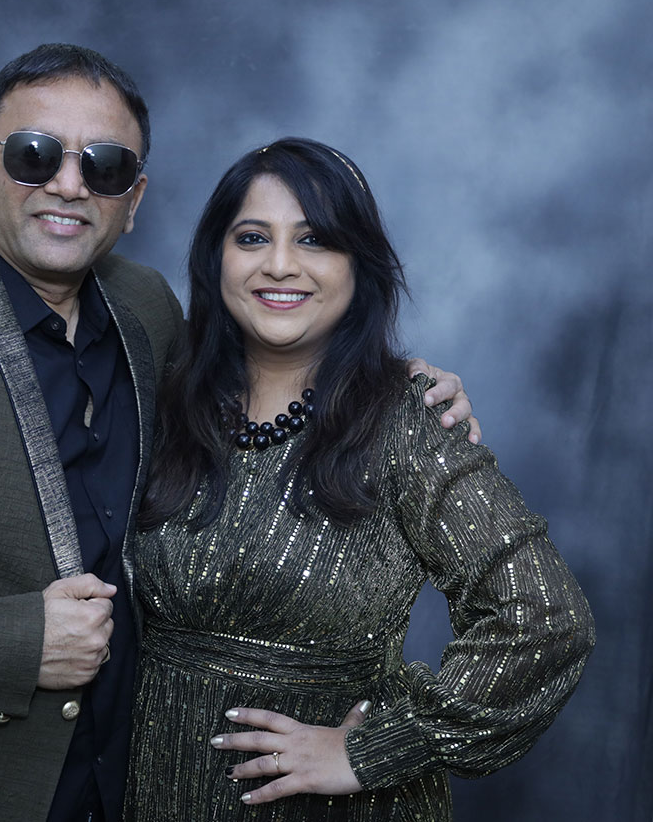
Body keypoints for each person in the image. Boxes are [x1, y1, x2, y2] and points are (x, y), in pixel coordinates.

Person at [0, 45, 476, 822]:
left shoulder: (145, 308)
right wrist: (15, 642)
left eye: (104, 165)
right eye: (34, 155)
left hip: (132, 789)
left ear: (133, 198)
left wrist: (391, 389)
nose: (69, 185)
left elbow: (255, 392)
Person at [127, 138, 595, 821]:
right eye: (252, 237)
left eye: (315, 239)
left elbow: (547, 620)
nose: (279, 264)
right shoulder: (161, 398)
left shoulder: (408, 420)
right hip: (152, 790)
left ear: (358, 266)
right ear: (215, 258)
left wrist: (371, 751)